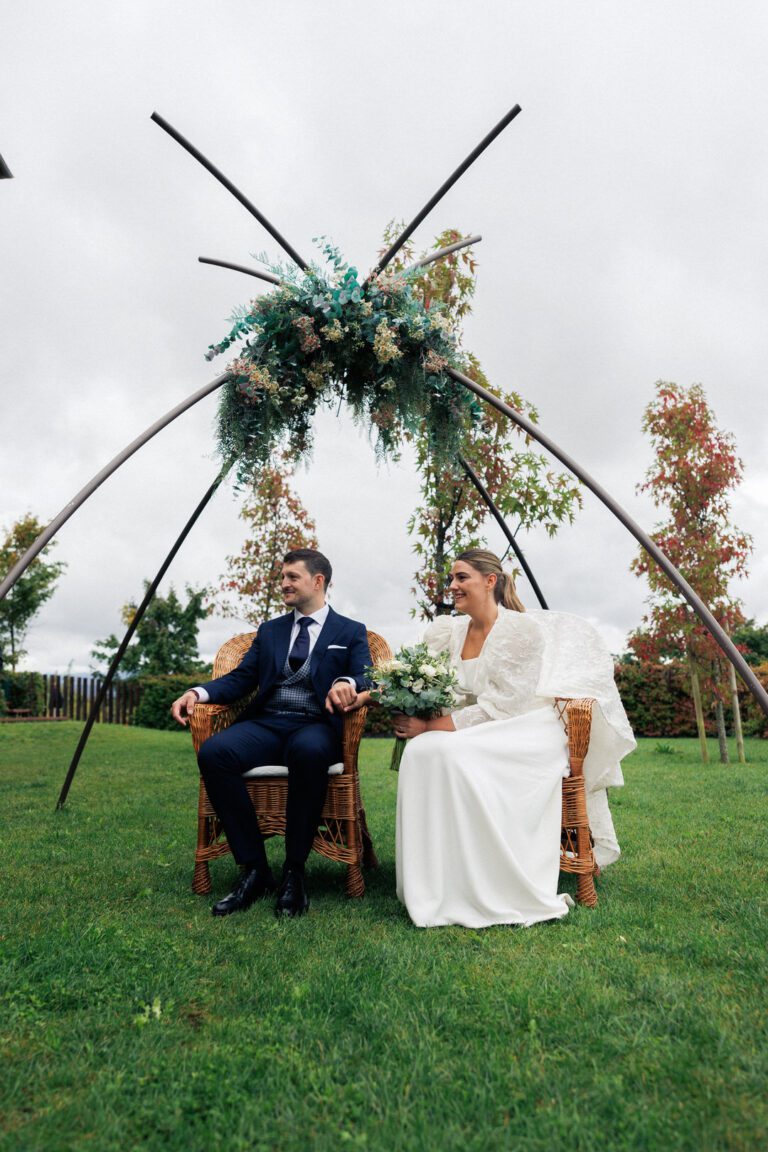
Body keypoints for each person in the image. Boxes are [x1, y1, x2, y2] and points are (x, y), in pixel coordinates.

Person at [394, 549, 635, 929]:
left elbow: (501, 707)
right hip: (476, 726)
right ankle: (439, 878)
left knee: (441, 750)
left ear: (490, 581)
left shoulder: (518, 631)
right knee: (423, 752)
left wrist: (427, 727)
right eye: (452, 579)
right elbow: (445, 692)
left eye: (462, 578)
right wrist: (405, 702)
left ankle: (490, 879)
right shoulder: (450, 632)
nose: (452, 586)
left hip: (525, 727)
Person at [171, 548, 371, 918]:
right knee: (215, 753)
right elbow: (241, 679)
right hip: (267, 723)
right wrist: (196, 693)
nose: (284, 584)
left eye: (292, 577)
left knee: (308, 753)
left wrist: (346, 682)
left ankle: (294, 872)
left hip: (316, 726)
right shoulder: (271, 630)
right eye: (282, 577)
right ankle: (255, 869)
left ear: (318, 581)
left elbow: (367, 675)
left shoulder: (350, 631)